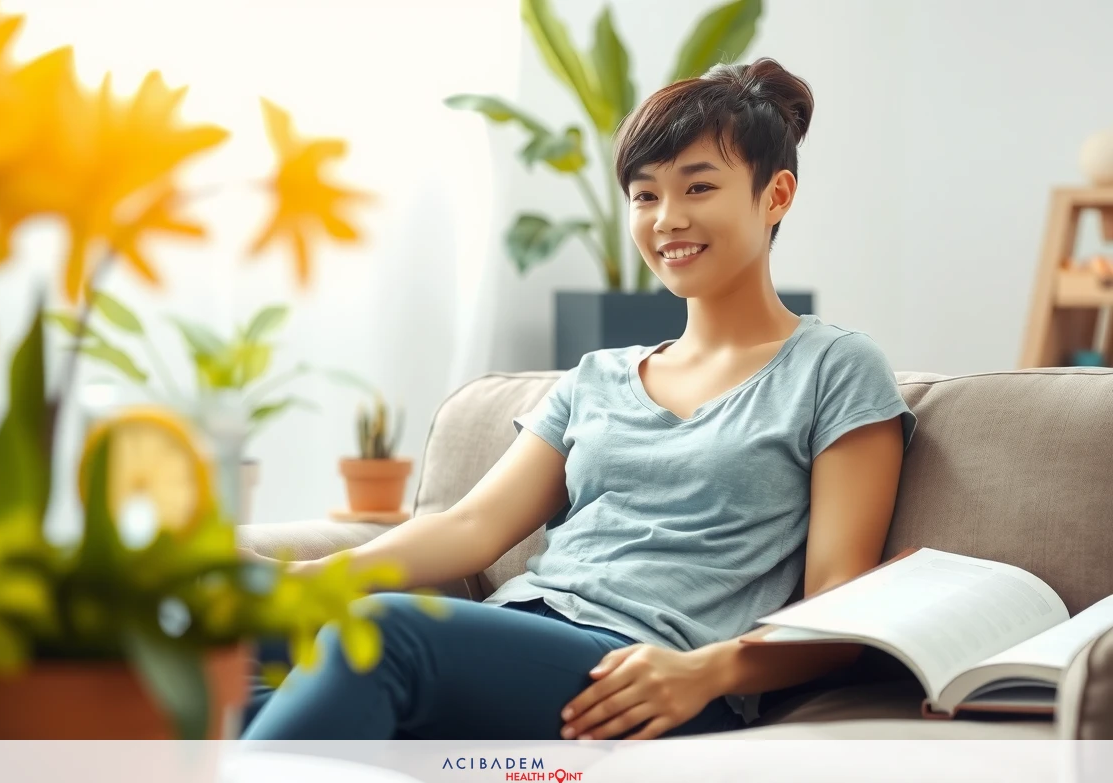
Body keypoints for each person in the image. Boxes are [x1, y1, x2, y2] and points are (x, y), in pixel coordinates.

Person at [239, 56, 917, 741]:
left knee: (384, 630)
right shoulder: (597, 377)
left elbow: (838, 601)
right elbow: (472, 526)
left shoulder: (833, 367)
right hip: (515, 639)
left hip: (648, 673)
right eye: (645, 196)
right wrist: (308, 578)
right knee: (226, 641)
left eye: (699, 187)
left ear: (775, 196)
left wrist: (708, 672)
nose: (668, 219)